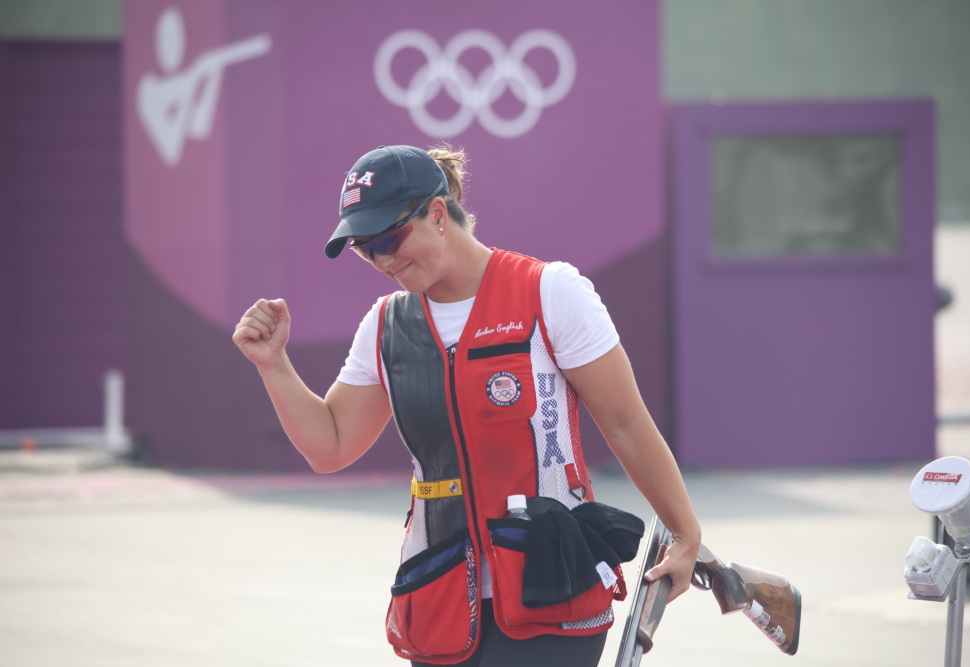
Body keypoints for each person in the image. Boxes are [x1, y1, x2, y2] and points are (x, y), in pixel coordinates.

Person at [232, 144, 701, 666]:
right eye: (366, 249)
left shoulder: (550, 292)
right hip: (440, 600)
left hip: (550, 587)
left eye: (390, 237)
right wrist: (273, 365)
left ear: (437, 213)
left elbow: (626, 423)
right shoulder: (385, 326)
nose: (384, 260)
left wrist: (685, 533)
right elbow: (331, 447)